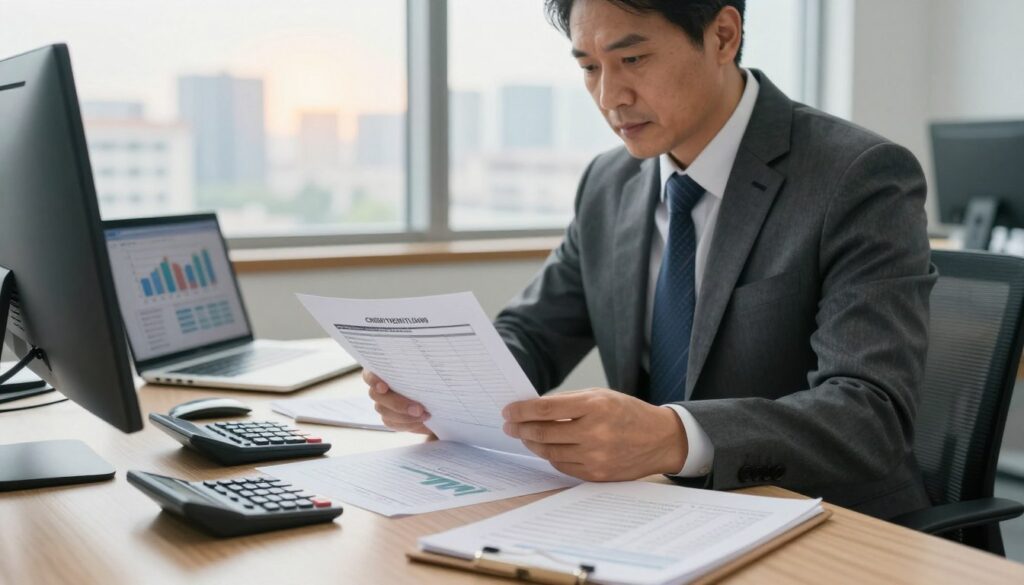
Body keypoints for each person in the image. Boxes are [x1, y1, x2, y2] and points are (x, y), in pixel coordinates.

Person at [365, 0, 936, 519]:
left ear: (723, 35)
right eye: (589, 67)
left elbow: (870, 414)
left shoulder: (858, 175)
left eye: (633, 57)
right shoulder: (609, 183)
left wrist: (672, 436)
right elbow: (533, 335)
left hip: (820, 523)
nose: (610, 96)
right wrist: (435, 385)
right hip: (651, 517)